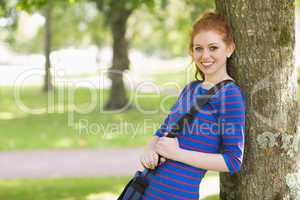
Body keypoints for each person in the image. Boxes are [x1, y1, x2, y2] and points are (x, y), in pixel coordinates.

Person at [140, 11, 246, 199]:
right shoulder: (191, 89)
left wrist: (177, 153)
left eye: (213, 48)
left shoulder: (230, 95)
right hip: (146, 190)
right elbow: (163, 131)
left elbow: (233, 161)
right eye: (199, 48)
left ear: (229, 49)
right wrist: (149, 150)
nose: (205, 55)